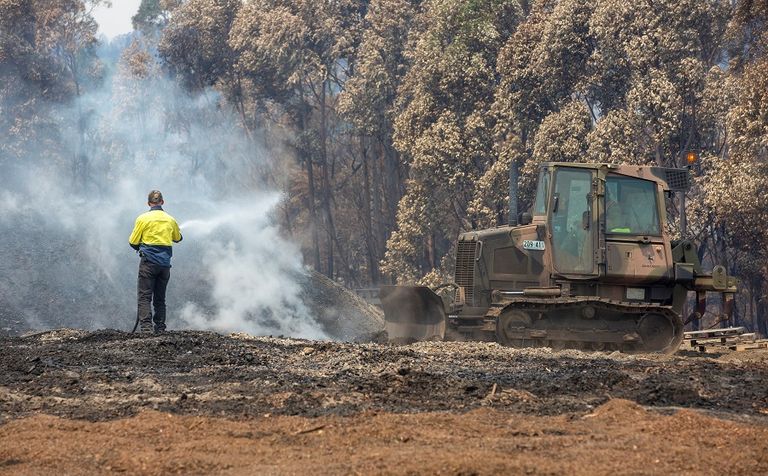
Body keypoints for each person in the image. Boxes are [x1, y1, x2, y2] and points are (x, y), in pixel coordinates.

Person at [128, 190, 182, 333]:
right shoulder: (171, 220)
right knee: (160, 298)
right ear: (162, 202)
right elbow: (177, 238)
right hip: (164, 266)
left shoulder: (142, 219)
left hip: (148, 264)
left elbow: (133, 241)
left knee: (145, 296)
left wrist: (141, 246)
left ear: (148, 203)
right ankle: (160, 328)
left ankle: (146, 329)